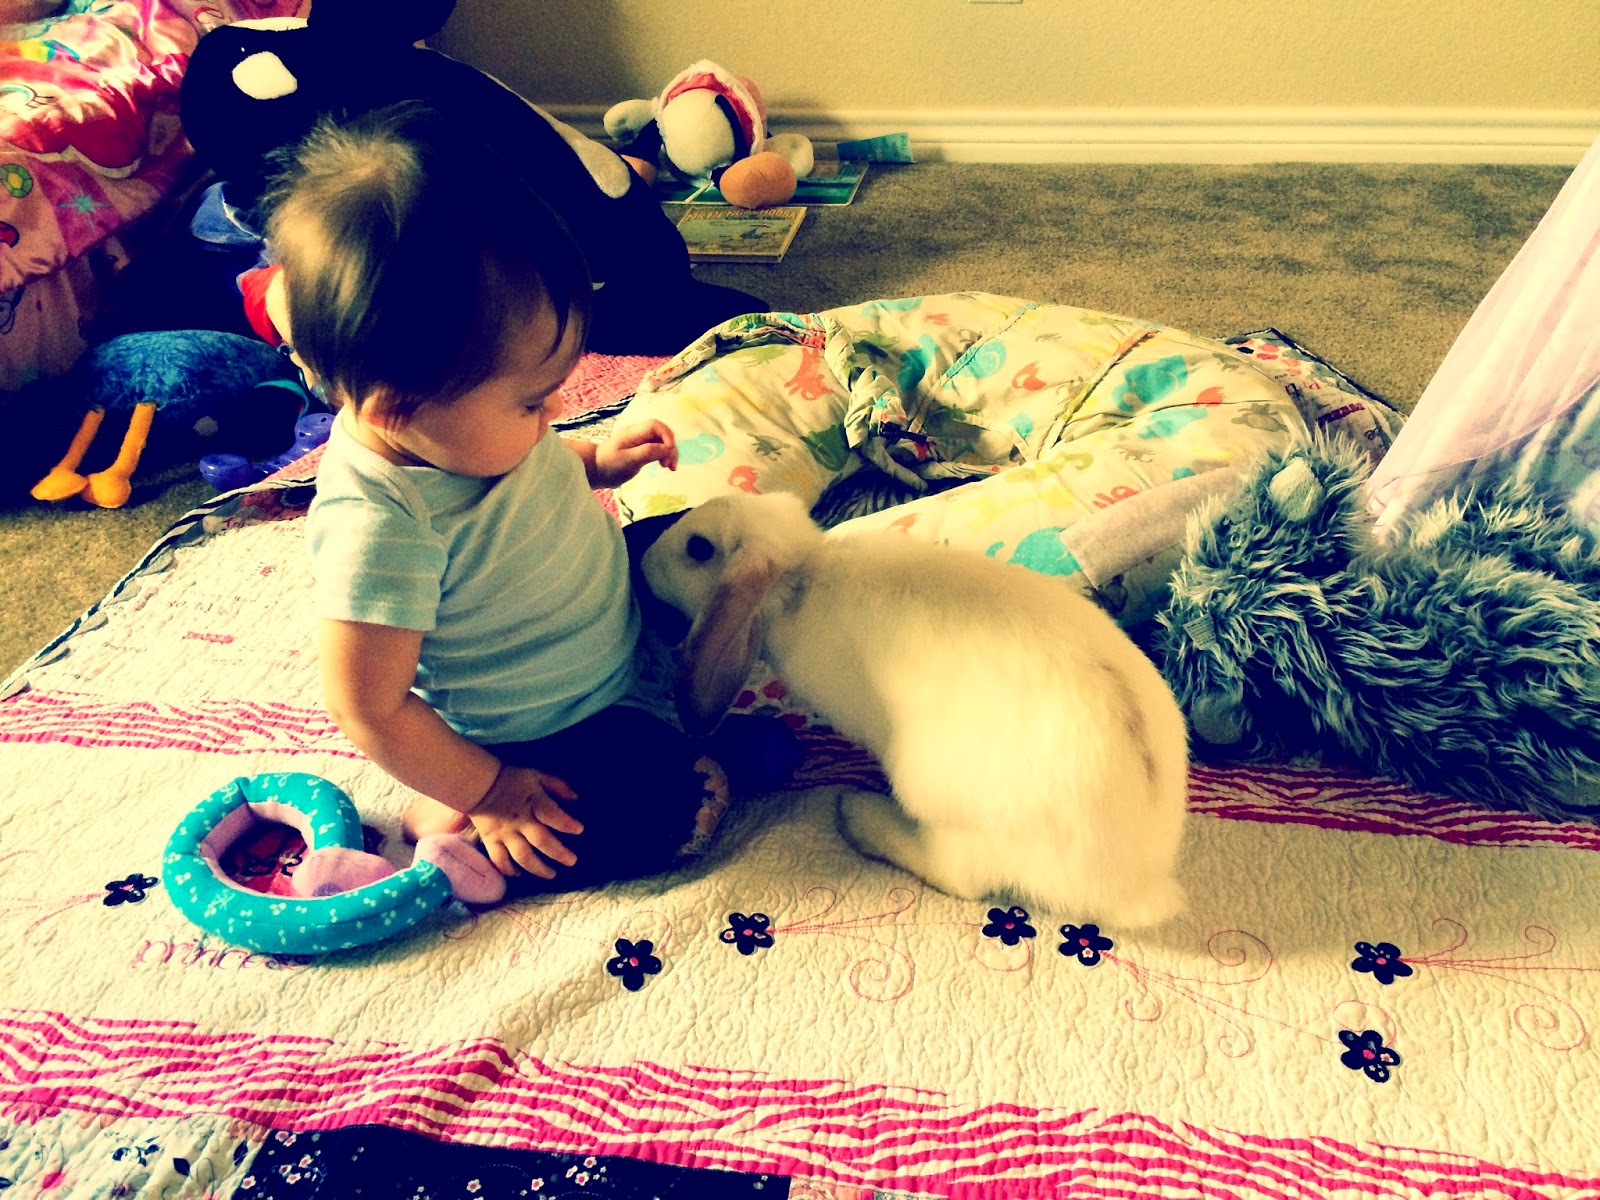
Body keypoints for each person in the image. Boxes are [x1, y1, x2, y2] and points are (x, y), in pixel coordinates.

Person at [264, 103, 739, 891]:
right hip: (540, 731)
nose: (556, 409)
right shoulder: (381, 527)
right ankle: (450, 834)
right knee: (662, 810)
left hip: (604, 624)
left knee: (720, 547)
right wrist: (488, 791)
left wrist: (595, 461)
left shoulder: (455, 427)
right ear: (395, 408)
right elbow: (367, 706)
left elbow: (533, 466)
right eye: (531, 401)